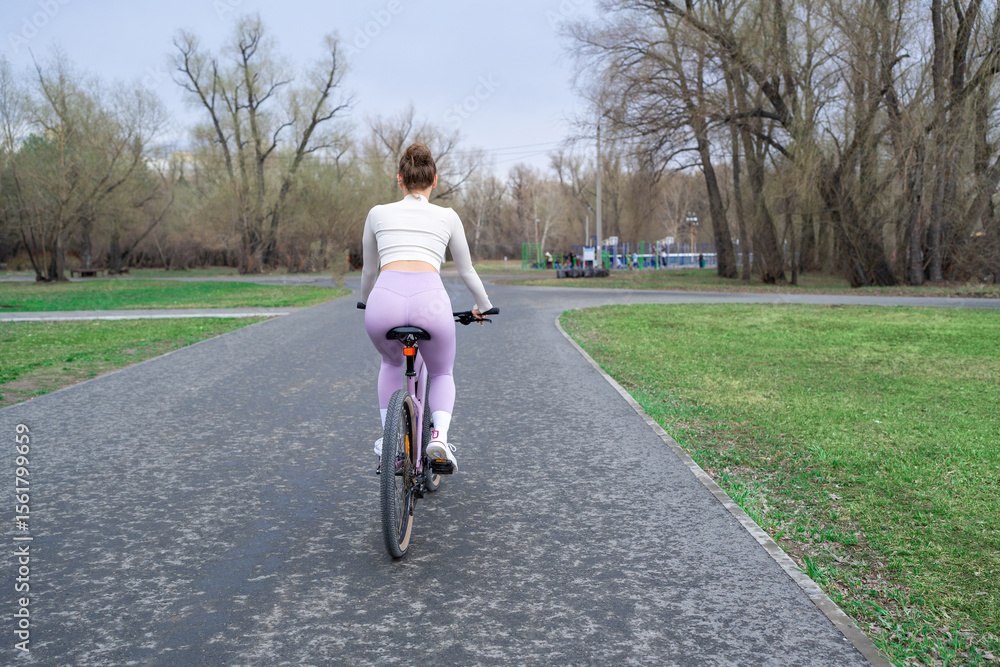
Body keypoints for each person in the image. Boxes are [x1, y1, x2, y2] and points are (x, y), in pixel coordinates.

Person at [359, 143, 492, 474]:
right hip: (429, 301)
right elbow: (466, 271)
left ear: (400, 180)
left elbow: (368, 272)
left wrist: (365, 302)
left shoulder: (377, 213)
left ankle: (388, 442)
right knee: (443, 371)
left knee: (391, 362)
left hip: (384, 300)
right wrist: (483, 306)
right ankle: (439, 437)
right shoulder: (447, 216)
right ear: (434, 180)